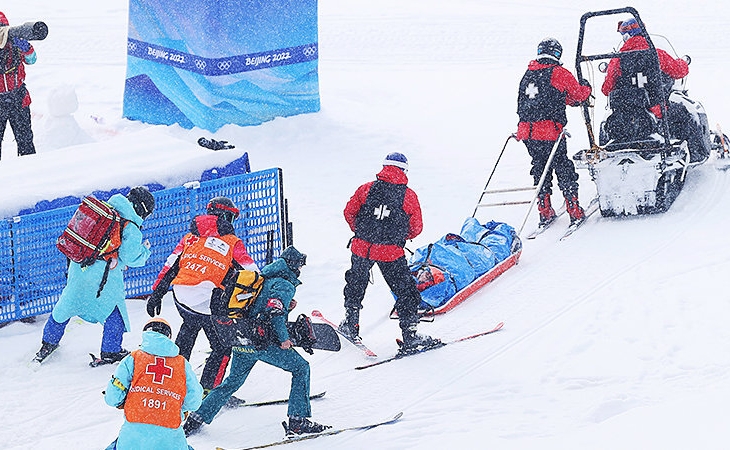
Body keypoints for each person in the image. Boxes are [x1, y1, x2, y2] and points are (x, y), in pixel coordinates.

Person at [182, 246, 330, 436]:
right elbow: (274, 312)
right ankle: (297, 421)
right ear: (294, 266)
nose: (301, 269)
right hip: (262, 342)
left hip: (242, 338)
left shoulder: (262, 279)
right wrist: (284, 339)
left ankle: (196, 419)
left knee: (231, 382)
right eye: (300, 265)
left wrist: (288, 308)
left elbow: (259, 308)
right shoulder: (284, 284)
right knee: (301, 368)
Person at [146, 196, 259, 393]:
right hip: (209, 304)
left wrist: (157, 292)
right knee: (222, 347)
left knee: (188, 331)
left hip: (181, 298)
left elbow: (170, 266)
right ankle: (209, 392)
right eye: (231, 218)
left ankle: (173, 385)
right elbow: (252, 272)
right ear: (224, 215)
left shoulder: (189, 238)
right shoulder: (232, 242)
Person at [33, 186, 155, 365]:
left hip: (78, 266)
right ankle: (111, 351)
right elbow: (130, 256)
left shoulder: (104, 210)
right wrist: (145, 251)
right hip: (102, 278)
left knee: (65, 306)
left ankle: (48, 343)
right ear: (142, 209)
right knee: (114, 313)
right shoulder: (130, 226)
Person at [338, 152, 439, 353]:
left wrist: (361, 231)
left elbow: (349, 212)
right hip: (390, 252)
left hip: (362, 247)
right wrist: (398, 236)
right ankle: (410, 335)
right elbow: (416, 227)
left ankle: (351, 323)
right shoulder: (408, 196)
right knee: (405, 290)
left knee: (356, 283)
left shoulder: (366, 189)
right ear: (404, 171)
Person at [601, 18, 707, 163]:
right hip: (655, 110)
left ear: (627, 36)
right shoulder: (656, 54)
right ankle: (696, 155)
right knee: (686, 114)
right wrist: (683, 62)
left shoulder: (617, 60)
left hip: (625, 114)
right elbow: (678, 71)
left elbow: (606, 89)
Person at [516, 37, 592, 226]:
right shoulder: (558, 73)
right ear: (557, 53)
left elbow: (543, 99)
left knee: (540, 167)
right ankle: (574, 209)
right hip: (549, 131)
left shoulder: (528, 74)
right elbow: (576, 95)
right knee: (563, 166)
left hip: (527, 132)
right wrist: (586, 88)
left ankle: (544, 209)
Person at [104, 317, 203, 450]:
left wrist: (122, 401)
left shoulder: (133, 358)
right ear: (168, 336)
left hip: (133, 437)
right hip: (170, 437)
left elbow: (112, 397)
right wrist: (180, 410)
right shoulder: (181, 364)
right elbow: (195, 400)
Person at [0, 11, 37, 158]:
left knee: (26, 142)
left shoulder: (14, 44)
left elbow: (32, 60)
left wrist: (27, 48)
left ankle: (30, 172)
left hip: (18, 99)